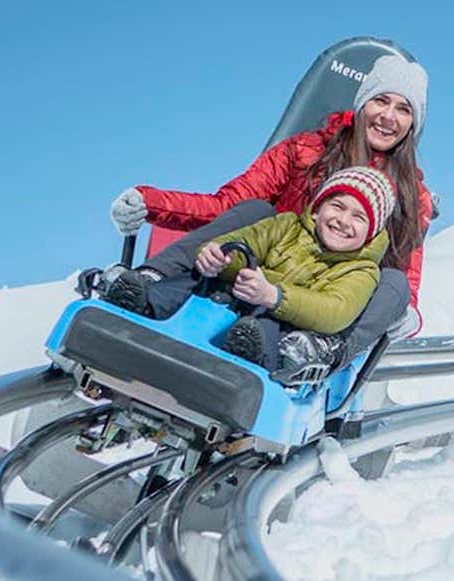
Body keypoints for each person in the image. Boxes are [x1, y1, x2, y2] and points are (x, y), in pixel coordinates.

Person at [109, 54, 432, 362]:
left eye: (404, 109)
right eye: (381, 100)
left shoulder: (412, 196)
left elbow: (408, 272)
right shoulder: (305, 151)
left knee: (395, 283)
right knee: (255, 211)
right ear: (362, 104)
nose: (389, 116)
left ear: (413, 123)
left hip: (331, 293)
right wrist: (149, 202)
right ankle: (148, 280)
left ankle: (320, 351)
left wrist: (404, 311)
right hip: (265, 267)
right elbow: (228, 206)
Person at [106, 167, 396, 385]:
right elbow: (245, 240)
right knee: (195, 281)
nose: (343, 221)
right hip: (236, 294)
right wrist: (218, 256)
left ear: (371, 232)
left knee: (265, 326)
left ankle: (249, 356)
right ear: (318, 208)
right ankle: (140, 301)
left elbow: (335, 311)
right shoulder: (286, 225)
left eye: (359, 217)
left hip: (276, 315)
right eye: (337, 206)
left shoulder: (362, 269)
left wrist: (274, 295)